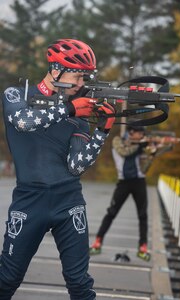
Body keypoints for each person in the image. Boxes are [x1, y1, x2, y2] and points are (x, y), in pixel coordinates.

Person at [0, 38, 115, 300]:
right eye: (77, 76)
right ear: (55, 70)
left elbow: (76, 167)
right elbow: (22, 122)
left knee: (80, 284)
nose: (81, 85)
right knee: (7, 279)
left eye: (85, 78)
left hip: (69, 201)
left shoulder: (79, 111)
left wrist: (102, 131)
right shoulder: (17, 94)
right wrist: (68, 108)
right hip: (29, 201)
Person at [90, 125, 172, 261]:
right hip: (123, 182)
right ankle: (97, 242)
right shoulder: (118, 141)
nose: (141, 136)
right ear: (131, 132)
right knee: (111, 212)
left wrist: (160, 145)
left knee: (143, 215)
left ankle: (142, 247)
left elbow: (152, 155)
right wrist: (142, 144)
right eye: (140, 133)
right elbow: (124, 152)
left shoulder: (141, 145)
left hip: (139, 181)